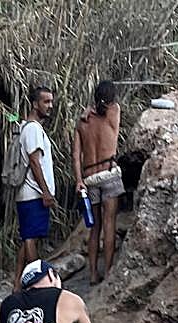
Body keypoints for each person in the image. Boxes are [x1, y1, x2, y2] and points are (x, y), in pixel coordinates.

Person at [73, 80, 122, 284]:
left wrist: (79, 180)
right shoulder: (114, 112)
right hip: (109, 173)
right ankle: (109, 271)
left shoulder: (82, 121)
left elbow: (76, 155)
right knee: (109, 224)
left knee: (95, 227)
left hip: (89, 178)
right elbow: (109, 105)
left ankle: (93, 274)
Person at [13, 86, 56, 291]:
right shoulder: (32, 129)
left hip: (31, 194)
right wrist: (46, 191)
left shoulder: (31, 128)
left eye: (51, 102)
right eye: (46, 102)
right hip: (33, 194)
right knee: (30, 239)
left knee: (28, 238)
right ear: (34, 104)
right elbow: (35, 161)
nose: (50, 106)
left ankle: (17, 286)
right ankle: (36, 285)